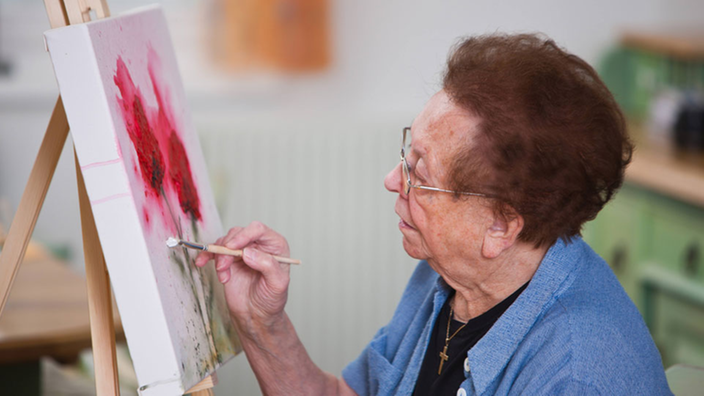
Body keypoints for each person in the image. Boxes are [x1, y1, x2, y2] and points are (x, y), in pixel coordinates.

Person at [196, 33, 673, 395]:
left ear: (501, 226)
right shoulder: (452, 275)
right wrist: (261, 322)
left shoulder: (575, 373)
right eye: (409, 152)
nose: (391, 179)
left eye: (418, 173)